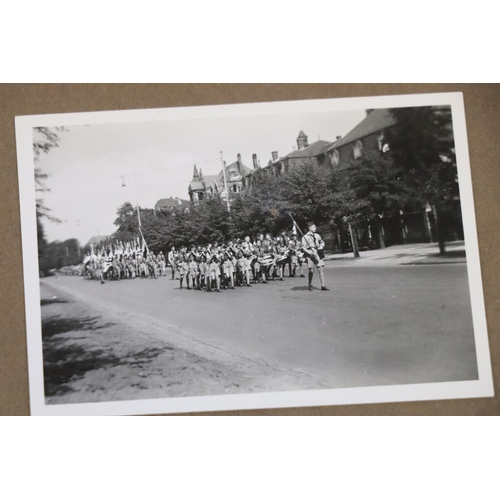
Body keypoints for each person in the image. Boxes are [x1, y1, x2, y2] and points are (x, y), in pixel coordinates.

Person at [301, 222, 329, 291]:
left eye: (315, 227)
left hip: (317, 253)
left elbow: (322, 242)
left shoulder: (317, 235)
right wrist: (309, 252)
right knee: (311, 270)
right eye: (314, 227)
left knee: (320, 269)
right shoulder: (305, 237)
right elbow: (303, 247)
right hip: (310, 254)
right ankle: (310, 283)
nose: (315, 228)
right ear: (310, 228)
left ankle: (323, 285)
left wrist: (321, 247)